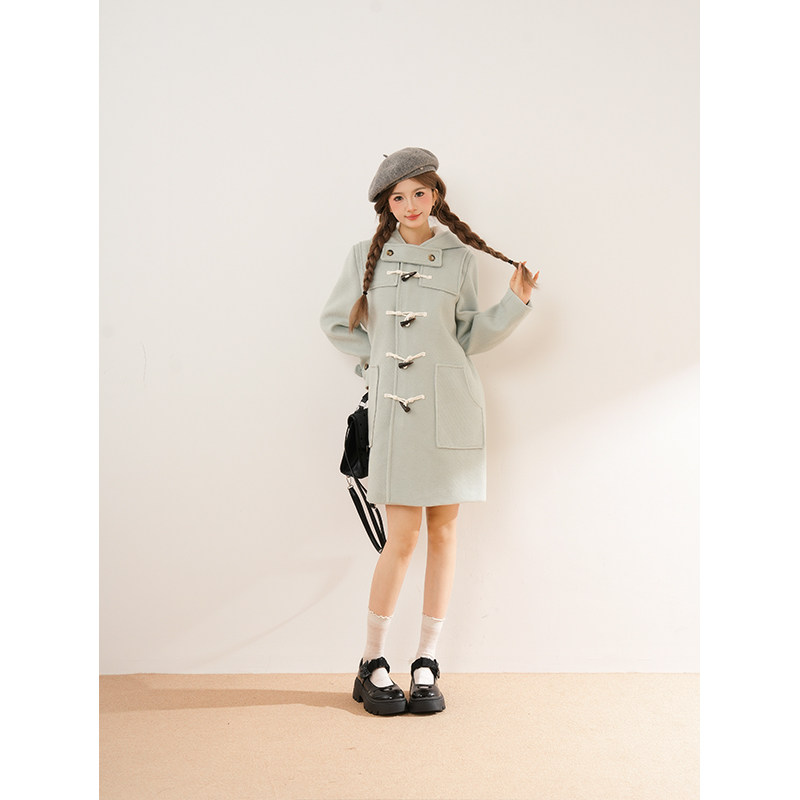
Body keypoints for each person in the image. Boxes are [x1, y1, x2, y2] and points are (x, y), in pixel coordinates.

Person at [320, 147, 537, 715]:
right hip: (396, 413)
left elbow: (467, 336)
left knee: (442, 533)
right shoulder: (363, 256)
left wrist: (514, 304)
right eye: (398, 197)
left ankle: (426, 661)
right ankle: (371, 661)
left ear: (436, 195)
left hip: (452, 406)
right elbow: (335, 323)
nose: (410, 204)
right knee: (402, 538)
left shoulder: (459, 258)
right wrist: (376, 365)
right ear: (386, 206)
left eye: (419, 193)